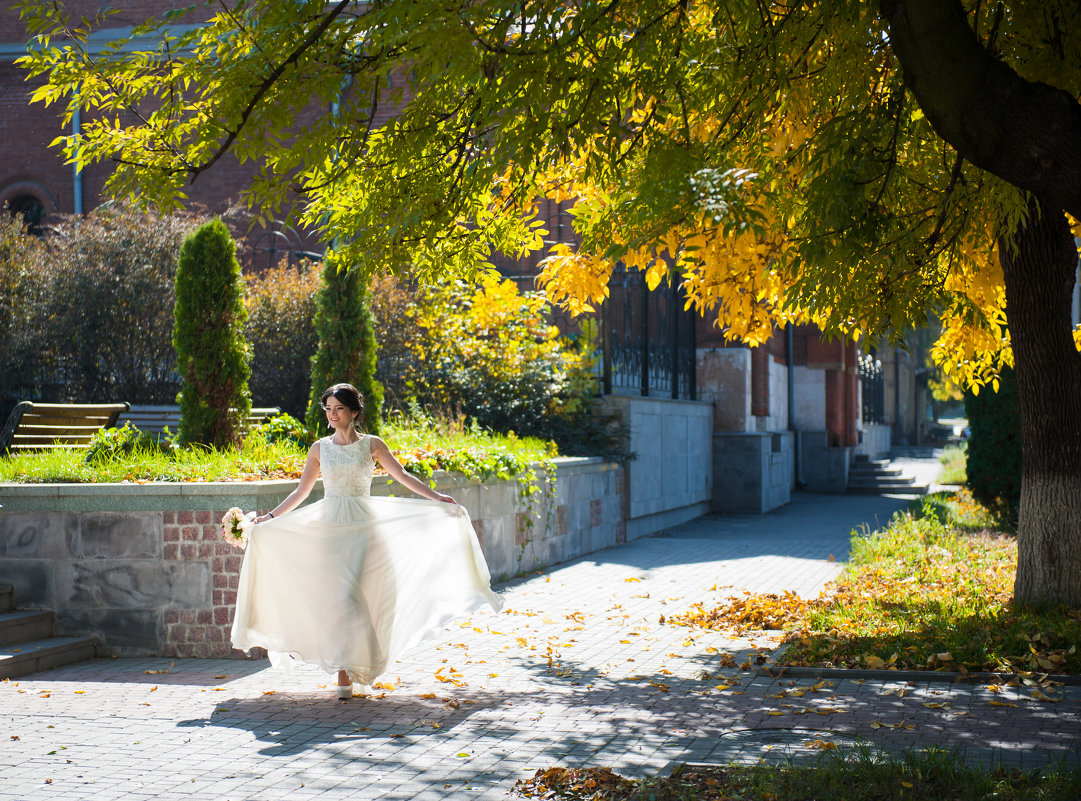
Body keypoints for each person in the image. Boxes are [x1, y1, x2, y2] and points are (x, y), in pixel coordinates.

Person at [230, 383, 503, 699]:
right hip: (330, 530)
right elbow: (301, 491)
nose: (332, 415)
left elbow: (402, 475)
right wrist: (269, 519)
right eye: (328, 409)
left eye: (339, 409)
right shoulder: (319, 448)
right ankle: (344, 674)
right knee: (341, 600)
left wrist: (436, 496)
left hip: (365, 529)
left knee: (364, 600)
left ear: (354, 412)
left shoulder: (372, 445)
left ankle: (362, 663)